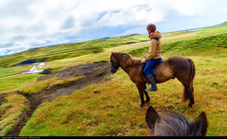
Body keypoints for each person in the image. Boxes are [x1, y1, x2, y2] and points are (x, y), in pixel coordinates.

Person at [141, 23, 162, 92]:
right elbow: (151, 50)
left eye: (147, 30)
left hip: (155, 57)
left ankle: (153, 87)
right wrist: (146, 54)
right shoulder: (155, 37)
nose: (147, 31)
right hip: (156, 56)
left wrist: (145, 59)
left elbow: (152, 53)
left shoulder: (153, 40)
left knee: (146, 70)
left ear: (149, 30)